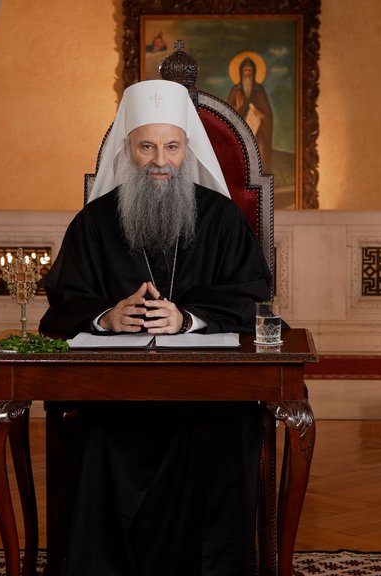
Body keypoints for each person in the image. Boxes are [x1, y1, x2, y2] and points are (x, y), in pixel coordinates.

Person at [39, 79, 273, 576]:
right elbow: (62, 303)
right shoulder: (95, 223)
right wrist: (106, 317)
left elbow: (252, 295)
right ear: (128, 150)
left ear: (188, 150)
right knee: (91, 441)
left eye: (172, 147)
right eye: (147, 147)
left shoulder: (222, 219)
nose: (160, 161)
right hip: (116, 399)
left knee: (228, 433)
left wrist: (187, 319)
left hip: (208, 397)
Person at [226, 56, 274, 173]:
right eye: (245, 71)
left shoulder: (259, 90)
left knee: (259, 149)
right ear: (241, 72)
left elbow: (268, 115)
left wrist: (261, 115)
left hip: (257, 132)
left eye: (250, 71)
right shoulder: (235, 90)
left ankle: (258, 175)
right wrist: (237, 108)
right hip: (239, 131)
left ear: (254, 72)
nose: (247, 74)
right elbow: (227, 114)